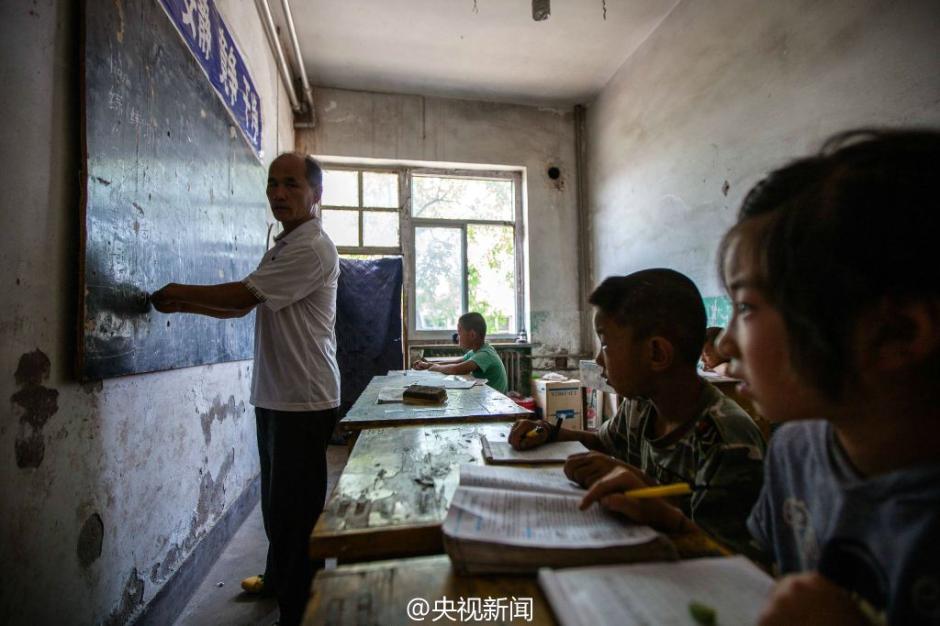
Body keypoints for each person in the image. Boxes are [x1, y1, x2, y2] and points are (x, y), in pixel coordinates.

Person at [585, 130, 940, 625]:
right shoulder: (795, 451)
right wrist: (674, 523)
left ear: (896, 332)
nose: (727, 344)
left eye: (747, 308)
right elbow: (757, 581)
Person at [151, 152, 340, 626]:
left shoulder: (311, 248)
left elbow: (241, 295)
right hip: (277, 394)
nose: (279, 193)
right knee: (276, 504)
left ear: (316, 194)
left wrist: (179, 290)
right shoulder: (283, 245)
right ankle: (278, 579)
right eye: (273, 183)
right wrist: (181, 305)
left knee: (295, 515)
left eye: (292, 184)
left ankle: (300, 612)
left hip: (303, 397)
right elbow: (241, 307)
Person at [509, 269, 765, 552]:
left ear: (656, 354)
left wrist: (642, 484)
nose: (599, 359)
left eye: (606, 343)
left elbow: (730, 560)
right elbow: (602, 441)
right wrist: (549, 431)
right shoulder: (642, 404)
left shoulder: (728, 442)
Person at [412, 312, 509, 393]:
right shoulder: (475, 351)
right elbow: (456, 362)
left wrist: (435, 367)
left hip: (495, 403)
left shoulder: (485, 354)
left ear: (472, 335)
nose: (458, 337)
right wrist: (428, 365)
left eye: (459, 332)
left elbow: (456, 369)